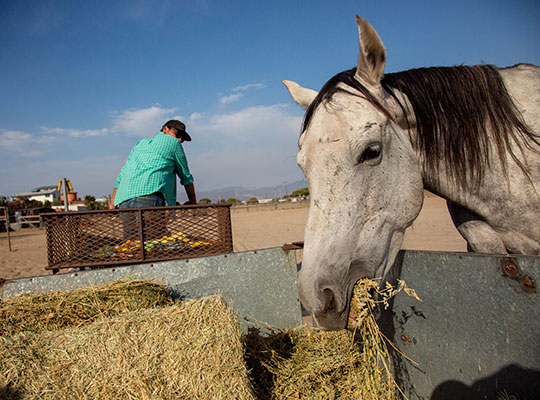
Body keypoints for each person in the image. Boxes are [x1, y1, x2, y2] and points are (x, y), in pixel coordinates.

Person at [110, 120, 197, 210]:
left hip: (125, 198)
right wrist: (193, 202)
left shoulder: (141, 143)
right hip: (150, 196)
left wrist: (112, 204)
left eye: (182, 138)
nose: (180, 140)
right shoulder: (173, 143)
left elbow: (122, 175)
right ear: (165, 129)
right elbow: (185, 176)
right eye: (178, 135)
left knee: (133, 225)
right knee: (154, 224)